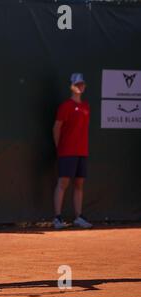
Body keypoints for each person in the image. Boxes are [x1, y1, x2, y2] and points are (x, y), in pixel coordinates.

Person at [52, 73, 93, 230]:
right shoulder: (65, 106)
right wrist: (59, 146)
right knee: (63, 182)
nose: (80, 86)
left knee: (79, 183)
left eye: (82, 84)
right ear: (71, 86)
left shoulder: (86, 107)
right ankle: (57, 217)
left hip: (82, 151)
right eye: (77, 84)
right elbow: (56, 128)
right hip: (67, 151)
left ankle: (78, 217)